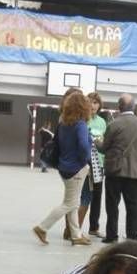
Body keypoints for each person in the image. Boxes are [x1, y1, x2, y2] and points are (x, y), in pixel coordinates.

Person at [33, 88, 92, 247]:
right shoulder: (80, 124)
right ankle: (42, 227)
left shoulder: (63, 123)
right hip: (76, 168)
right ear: (82, 107)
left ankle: (76, 235)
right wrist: (85, 159)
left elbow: (57, 143)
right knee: (71, 204)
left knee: (71, 201)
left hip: (63, 167)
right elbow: (84, 146)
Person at [96, 93, 137, 243]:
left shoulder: (113, 124)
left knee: (112, 205)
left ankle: (112, 236)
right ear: (134, 107)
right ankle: (133, 236)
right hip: (135, 174)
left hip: (114, 171)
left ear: (119, 107)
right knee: (133, 207)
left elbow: (104, 148)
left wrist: (96, 141)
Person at [86, 92, 107, 236]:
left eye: (95, 102)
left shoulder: (102, 122)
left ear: (99, 105)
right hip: (84, 164)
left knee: (97, 197)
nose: (93, 105)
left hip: (98, 164)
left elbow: (104, 143)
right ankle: (72, 229)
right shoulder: (82, 119)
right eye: (90, 102)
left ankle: (94, 228)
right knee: (83, 197)